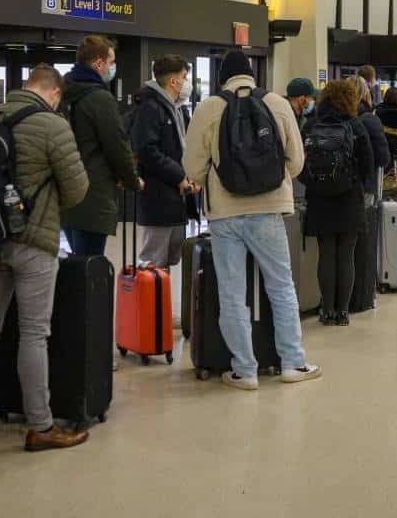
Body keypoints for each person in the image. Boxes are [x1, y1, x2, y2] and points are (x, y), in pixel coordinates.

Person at [0, 64, 91, 452]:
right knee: (35, 333)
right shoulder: (53, 126)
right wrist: (48, 212)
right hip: (35, 243)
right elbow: (78, 188)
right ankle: (40, 425)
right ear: (54, 93)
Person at [183, 50, 320, 389]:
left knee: (232, 292)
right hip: (269, 210)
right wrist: (271, 180)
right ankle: (292, 363)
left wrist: (218, 177)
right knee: (281, 285)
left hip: (225, 214)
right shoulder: (276, 103)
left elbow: (192, 168)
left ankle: (244, 371)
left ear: (222, 78)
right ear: (252, 75)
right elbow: (297, 161)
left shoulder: (209, 107)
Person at [60, 36, 142, 257]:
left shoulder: (64, 94)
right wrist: (132, 180)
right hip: (93, 196)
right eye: (111, 61)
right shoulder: (100, 99)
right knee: (91, 268)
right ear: (98, 64)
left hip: (66, 192)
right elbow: (117, 145)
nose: (113, 67)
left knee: (78, 262)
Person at [301, 79, 374, 326]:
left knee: (326, 253)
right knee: (347, 254)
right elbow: (368, 164)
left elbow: (300, 163)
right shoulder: (356, 126)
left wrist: (313, 182)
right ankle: (343, 312)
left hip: (319, 198)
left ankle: (327, 310)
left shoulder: (311, 125)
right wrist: (353, 182)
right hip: (349, 197)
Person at [129, 55, 196, 268]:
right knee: (152, 263)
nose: (188, 83)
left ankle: (161, 301)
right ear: (173, 81)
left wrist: (190, 176)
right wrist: (178, 175)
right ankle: (151, 302)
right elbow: (147, 150)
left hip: (177, 198)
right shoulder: (150, 107)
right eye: (185, 77)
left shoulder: (176, 109)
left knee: (169, 260)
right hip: (159, 197)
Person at [351, 76, 392, 182]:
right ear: (366, 92)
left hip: (337, 181)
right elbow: (383, 158)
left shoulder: (335, 116)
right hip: (364, 181)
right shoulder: (369, 119)